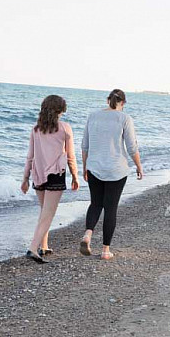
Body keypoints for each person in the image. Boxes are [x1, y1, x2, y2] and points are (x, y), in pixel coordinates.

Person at [80, 89, 143, 260]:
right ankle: (105, 250)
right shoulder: (125, 118)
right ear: (122, 103)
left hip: (94, 167)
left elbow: (85, 145)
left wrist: (85, 166)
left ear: (108, 100)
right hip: (116, 169)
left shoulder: (92, 116)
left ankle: (87, 234)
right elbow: (131, 147)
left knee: (95, 204)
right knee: (110, 208)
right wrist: (138, 165)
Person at [21, 95, 79, 264]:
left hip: (37, 173)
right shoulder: (65, 128)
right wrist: (75, 176)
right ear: (60, 110)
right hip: (55, 175)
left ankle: (44, 247)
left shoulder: (36, 129)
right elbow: (70, 157)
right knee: (48, 214)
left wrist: (25, 178)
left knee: (44, 211)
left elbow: (29, 157)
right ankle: (33, 248)